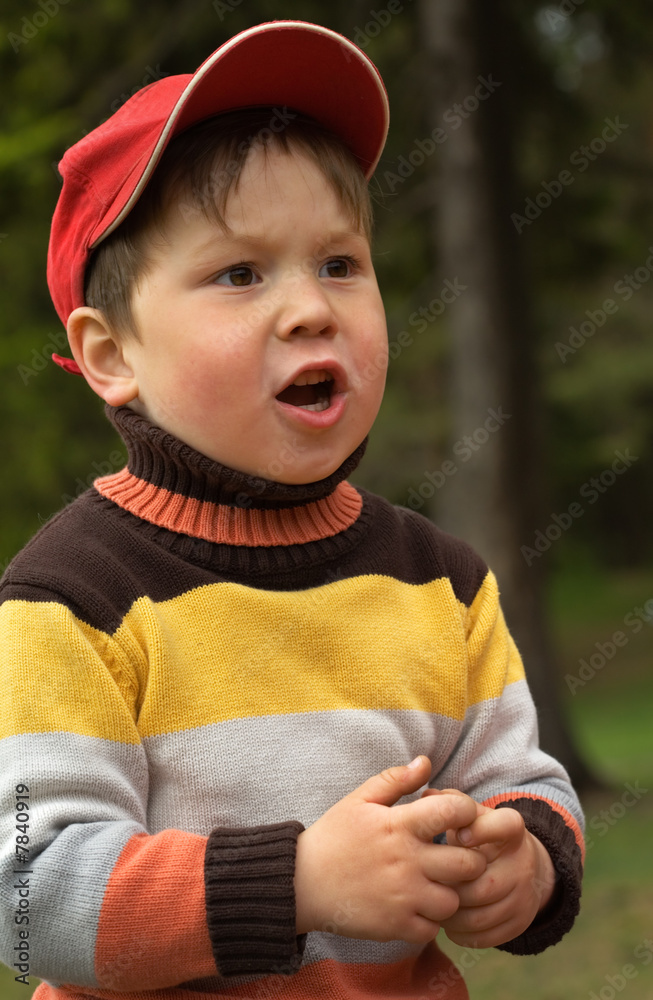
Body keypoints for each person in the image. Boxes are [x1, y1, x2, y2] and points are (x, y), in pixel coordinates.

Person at [0, 19, 584, 1000]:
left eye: (339, 263)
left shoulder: (439, 583)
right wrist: (296, 880)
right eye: (239, 273)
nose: (312, 308)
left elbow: (521, 778)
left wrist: (521, 858)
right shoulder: (71, 600)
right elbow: (27, 898)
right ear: (111, 354)